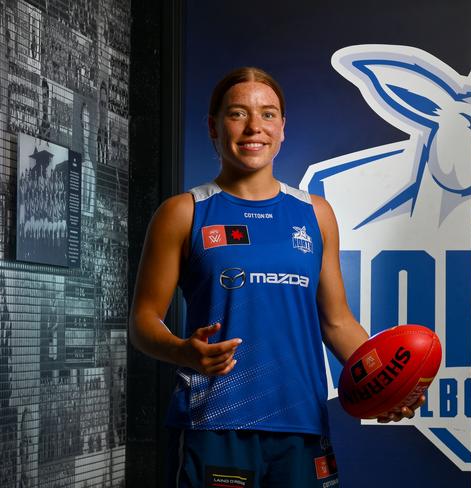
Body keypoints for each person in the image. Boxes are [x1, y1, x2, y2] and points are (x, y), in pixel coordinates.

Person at [129, 67, 425, 488]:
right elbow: (143, 322)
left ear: (283, 128)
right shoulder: (183, 213)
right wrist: (184, 352)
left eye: (268, 115)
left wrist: (386, 383)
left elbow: (337, 322)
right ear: (213, 126)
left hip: (301, 423)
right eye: (237, 114)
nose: (254, 127)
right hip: (215, 423)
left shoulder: (315, 213)